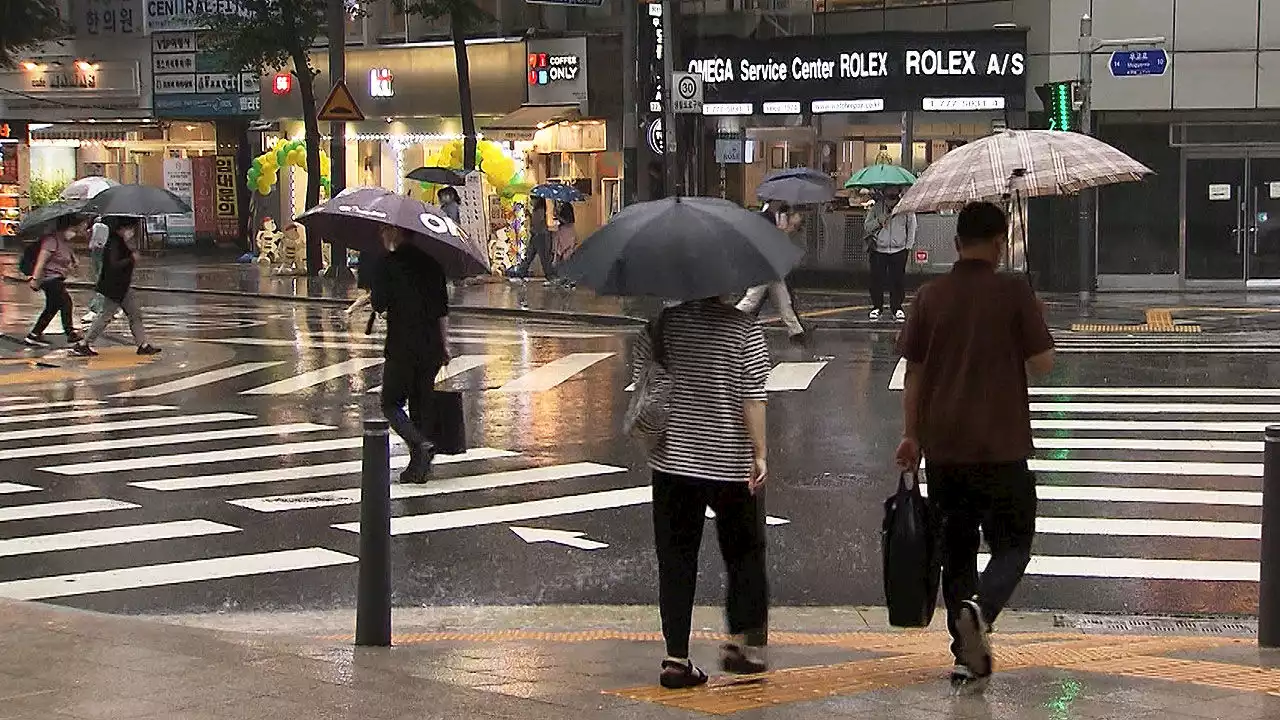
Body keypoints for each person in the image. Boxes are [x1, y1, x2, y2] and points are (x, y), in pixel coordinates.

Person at [894, 201, 1054, 693]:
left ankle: (966, 657)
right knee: (1013, 543)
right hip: (1003, 445)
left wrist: (911, 436)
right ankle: (980, 612)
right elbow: (1044, 362)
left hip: (945, 449)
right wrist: (1032, 312)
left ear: (958, 242)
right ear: (1001, 242)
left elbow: (914, 375)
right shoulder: (1013, 292)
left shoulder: (930, 296)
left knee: (957, 553)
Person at [633, 296, 771, 690]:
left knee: (676, 559)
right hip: (728, 461)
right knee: (744, 552)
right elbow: (752, 396)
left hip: (672, 462)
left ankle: (676, 658)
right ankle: (742, 645)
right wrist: (759, 453)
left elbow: (644, 379)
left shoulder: (661, 326)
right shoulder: (744, 329)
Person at [372, 226, 451, 484]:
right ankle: (417, 467)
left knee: (390, 403)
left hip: (402, 345)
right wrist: (445, 345)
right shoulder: (432, 265)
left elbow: (379, 304)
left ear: (395, 234)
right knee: (420, 404)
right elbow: (442, 311)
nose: (382, 234)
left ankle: (420, 444)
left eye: (385, 231)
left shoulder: (388, 264)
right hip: (431, 347)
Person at [70, 218, 161, 357]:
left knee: (134, 314)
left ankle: (143, 344)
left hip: (122, 286)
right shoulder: (114, 242)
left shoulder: (120, 241)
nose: (132, 232)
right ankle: (83, 344)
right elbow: (114, 265)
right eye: (131, 228)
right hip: (115, 287)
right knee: (105, 316)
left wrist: (131, 255)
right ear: (123, 227)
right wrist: (131, 258)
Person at [736, 203, 806, 342]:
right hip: (765, 264)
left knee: (783, 301)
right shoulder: (769, 217)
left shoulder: (776, 215)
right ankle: (727, 322)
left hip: (773, 265)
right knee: (752, 299)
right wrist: (786, 229)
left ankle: (796, 331)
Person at [24, 215, 84, 348]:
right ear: (66, 227)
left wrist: (73, 261)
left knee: (52, 307)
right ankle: (69, 333)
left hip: (57, 278)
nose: (77, 231)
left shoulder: (64, 242)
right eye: (75, 228)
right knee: (65, 302)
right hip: (49, 279)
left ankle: (34, 335)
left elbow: (67, 257)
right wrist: (35, 279)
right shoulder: (51, 240)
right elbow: (41, 261)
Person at [864, 189, 917, 322]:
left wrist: (908, 247)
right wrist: (878, 220)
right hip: (878, 249)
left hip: (899, 249)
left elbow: (911, 227)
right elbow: (867, 226)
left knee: (898, 280)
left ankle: (897, 307)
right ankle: (877, 306)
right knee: (876, 279)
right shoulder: (877, 208)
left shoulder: (906, 208)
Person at [507, 197, 555, 283]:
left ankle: (550, 276)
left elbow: (537, 224)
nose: (532, 202)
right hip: (537, 235)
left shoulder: (540, 211)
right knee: (529, 255)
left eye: (533, 199)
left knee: (542, 257)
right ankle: (522, 272)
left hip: (540, 235)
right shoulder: (538, 210)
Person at [82, 216, 110, 323]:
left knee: (102, 280)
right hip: (97, 251)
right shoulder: (97, 221)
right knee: (101, 280)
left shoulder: (107, 222)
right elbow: (88, 235)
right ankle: (112, 308)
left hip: (106, 252)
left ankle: (95, 309)